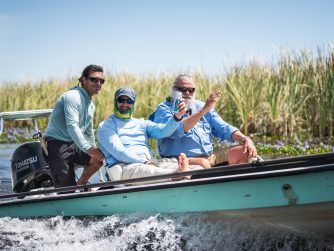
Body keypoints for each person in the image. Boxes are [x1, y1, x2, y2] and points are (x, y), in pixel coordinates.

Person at [97, 87, 203, 182]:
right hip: (126, 167)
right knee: (149, 171)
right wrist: (144, 161)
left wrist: (177, 117)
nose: (125, 104)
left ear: (133, 103)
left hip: (150, 162)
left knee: (198, 169)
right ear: (115, 102)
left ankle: (182, 174)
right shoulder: (105, 126)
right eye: (121, 100)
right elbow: (119, 152)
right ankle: (179, 174)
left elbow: (164, 131)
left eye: (129, 101)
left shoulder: (141, 123)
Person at [152, 74, 261, 166]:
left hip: (210, 156)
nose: (187, 93)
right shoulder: (164, 108)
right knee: (203, 163)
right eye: (183, 89)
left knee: (244, 152)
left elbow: (224, 128)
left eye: (191, 90)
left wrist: (245, 139)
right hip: (180, 159)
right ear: (174, 90)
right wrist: (204, 111)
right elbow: (175, 130)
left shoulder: (201, 106)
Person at [43, 64, 105, 188]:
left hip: (74, 144)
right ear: (83, 80)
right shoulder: (72, 96)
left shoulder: (90, 105)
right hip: (57, 144)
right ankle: (70, 192)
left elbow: (88, 131)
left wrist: (93, 149)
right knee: (66, 190)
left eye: (101, 80)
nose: (98, 83)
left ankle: (79, 186)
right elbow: (72, 126)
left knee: (98, 160)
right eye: (94, 79)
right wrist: (89, 149)